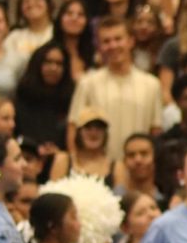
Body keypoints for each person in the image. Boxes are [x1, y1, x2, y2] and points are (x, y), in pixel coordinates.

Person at [67, 16, 162, 160]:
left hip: (136, 168)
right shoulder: (87, 83)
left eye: (118, 39)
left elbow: (155, 131)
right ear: (99, 47)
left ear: (131, 41)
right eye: (106, 41)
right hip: (98, 168)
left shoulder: (151, 84)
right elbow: (73, 127)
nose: (113, 45)